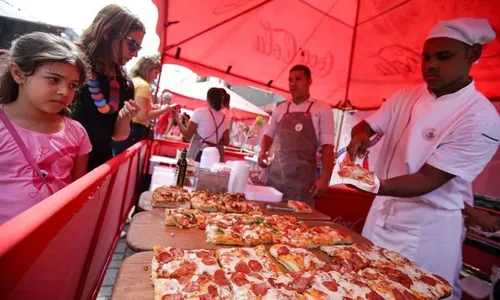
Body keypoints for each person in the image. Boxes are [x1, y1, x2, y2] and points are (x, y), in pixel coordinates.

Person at [346, 18, 500, 300]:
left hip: (425, 229)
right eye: (426, 57)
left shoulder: (480, 117)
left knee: (416, 293)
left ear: (473, 54)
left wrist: (369, 183)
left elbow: (428, 180)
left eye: (443, 57)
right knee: (363, 287)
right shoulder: (405, 96)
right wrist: (360, 135)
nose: (431, 65)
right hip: (381, 215)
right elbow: (369, 125)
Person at [0, 32, 92, 224]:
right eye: (53, 79)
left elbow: (76, 192)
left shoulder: (77, 133)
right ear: (18, 73)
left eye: (73, 85)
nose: (64, 92)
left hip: (55, 239)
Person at [72, 4, 143, 170]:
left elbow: (118, 136)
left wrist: (124, 117)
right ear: (107, 32)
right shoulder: (71, 66)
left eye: (138, 47)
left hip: (96, 167)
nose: (135, 53)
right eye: (133, 45)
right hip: (61, 165)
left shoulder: (124, 83)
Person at [258, 65, 334, 206]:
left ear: (309, 81)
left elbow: (328, 145)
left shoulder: (322, 109)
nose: (293, 84)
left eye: (298, 79)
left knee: (297, 224)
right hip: (276, 178)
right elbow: (269, 134)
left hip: (302, 182)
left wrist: (325, 177)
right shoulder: (280, 109)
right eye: (290, 80)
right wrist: (263, 152)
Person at [114, 55, 175, 153]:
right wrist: (164, 110)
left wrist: (152, 107)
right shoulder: (143, 85)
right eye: (155, 73)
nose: (155, 77)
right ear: (148, 70)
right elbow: (142, 116)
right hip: (134, 131)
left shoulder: (133, 81)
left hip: (124, 128)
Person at [176, 87, 230, 161]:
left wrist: (178, 120)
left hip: (198, 152)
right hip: (214, 155)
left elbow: (188, 135)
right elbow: (226, 141)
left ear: (208, 98)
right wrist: (212, 141)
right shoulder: (225, 118)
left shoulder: (200, 112)